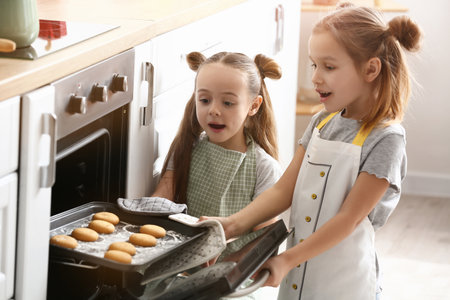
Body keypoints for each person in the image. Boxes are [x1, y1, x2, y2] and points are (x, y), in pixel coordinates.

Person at [200, 3, 423, 300]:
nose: (316, 77)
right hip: (299, 276)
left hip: (345, 284)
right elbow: (283, 191)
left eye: (329, 67)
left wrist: (288, 259)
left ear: (371, 69)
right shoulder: (321, 121)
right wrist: (230, 225)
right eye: (314, 65)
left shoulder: (386, 140)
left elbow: (348, 219)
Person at [152, 51, 283, 256]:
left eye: (228, 103)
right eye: (204, 100)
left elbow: (264, 241)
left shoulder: (264, 167)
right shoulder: (187, 148)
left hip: (233, 276)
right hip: (178, 265)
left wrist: (225, 274)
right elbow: (162, 200)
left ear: (253, 106)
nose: (213, 110)